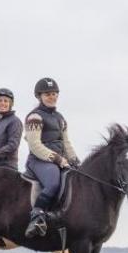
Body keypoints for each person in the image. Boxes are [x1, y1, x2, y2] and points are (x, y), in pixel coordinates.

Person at [23, 77, 80, 237]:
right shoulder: (34, 117)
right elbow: (34, 145)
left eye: (55, 93)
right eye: (48, 94)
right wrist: (58, 159)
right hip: (39, 161)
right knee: (53, 183)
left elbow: (66, 143)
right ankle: (36, 216)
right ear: (39, 96)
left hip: (60, 160)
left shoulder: (60, 118)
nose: (52, 97)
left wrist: (75, 161)